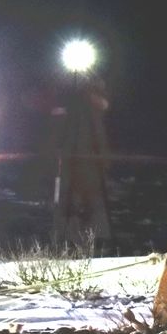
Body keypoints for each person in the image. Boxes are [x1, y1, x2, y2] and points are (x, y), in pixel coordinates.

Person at [49, 76, 114, 249]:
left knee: (92, 202)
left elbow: (100, 133)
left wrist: (104, 158)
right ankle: (69, 239)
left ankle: (97, 239)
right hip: (74, 162)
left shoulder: (94, 112)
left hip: (89, 162)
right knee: (72, 201)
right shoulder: (72, 106)